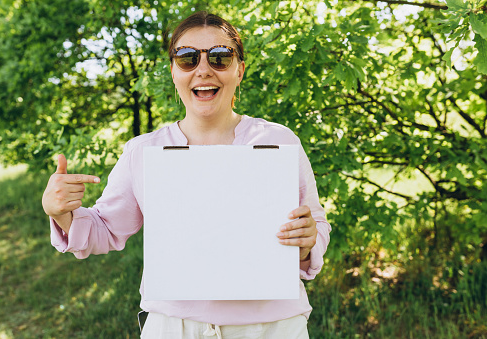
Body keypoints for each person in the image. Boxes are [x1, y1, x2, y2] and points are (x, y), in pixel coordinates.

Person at [42, 11, 331, 339]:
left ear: (240, 70)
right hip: (174, 328)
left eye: (220, 58)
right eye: (188, 58)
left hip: (273, 328)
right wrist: (62, 213)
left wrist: (307, 242)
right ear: (174, 71)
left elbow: (316, 226)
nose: (203, 70)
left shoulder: (278, 141)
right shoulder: (143, 152)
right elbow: (104, 230)